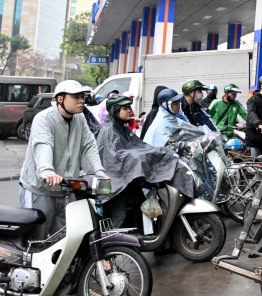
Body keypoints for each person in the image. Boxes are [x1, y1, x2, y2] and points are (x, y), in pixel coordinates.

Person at [96, 94, 201, 230]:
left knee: (147, 208)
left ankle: (155, 237)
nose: (129, 110)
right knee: (120, 215)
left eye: (129, 107)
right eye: (125, 108)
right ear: (115, 110)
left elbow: (140, 147)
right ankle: (114, 248)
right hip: (116, 186)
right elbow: (116, 159)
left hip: (129, 182)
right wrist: (142, 157)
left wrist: (161, 152)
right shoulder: (108, 131)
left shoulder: (123, 129)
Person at [19, 80, 106, 241]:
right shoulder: (44, 119)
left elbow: (89, 145)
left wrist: (99, 172)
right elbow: (42, 144)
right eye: (76, 97)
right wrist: (47, 171)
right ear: (60, 99)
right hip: (40, 191)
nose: (81, 101)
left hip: (66, 190)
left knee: (67, 242)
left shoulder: (80, 119)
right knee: (36, 241)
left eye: (83, 97)